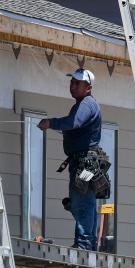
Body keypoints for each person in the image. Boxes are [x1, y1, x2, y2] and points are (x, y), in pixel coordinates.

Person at [37, 69, 102, 250]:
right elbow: (76, 126)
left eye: (77, 83)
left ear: (88, 88)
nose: (72, 86)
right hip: (84, 160)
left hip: (85, 160)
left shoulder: (87, 104)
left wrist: (51, 123)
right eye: (71, 82)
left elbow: (74, 122)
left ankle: (83, 246)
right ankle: (86, 243)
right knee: (84, 201)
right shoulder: (86, 104)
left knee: (82, 202)